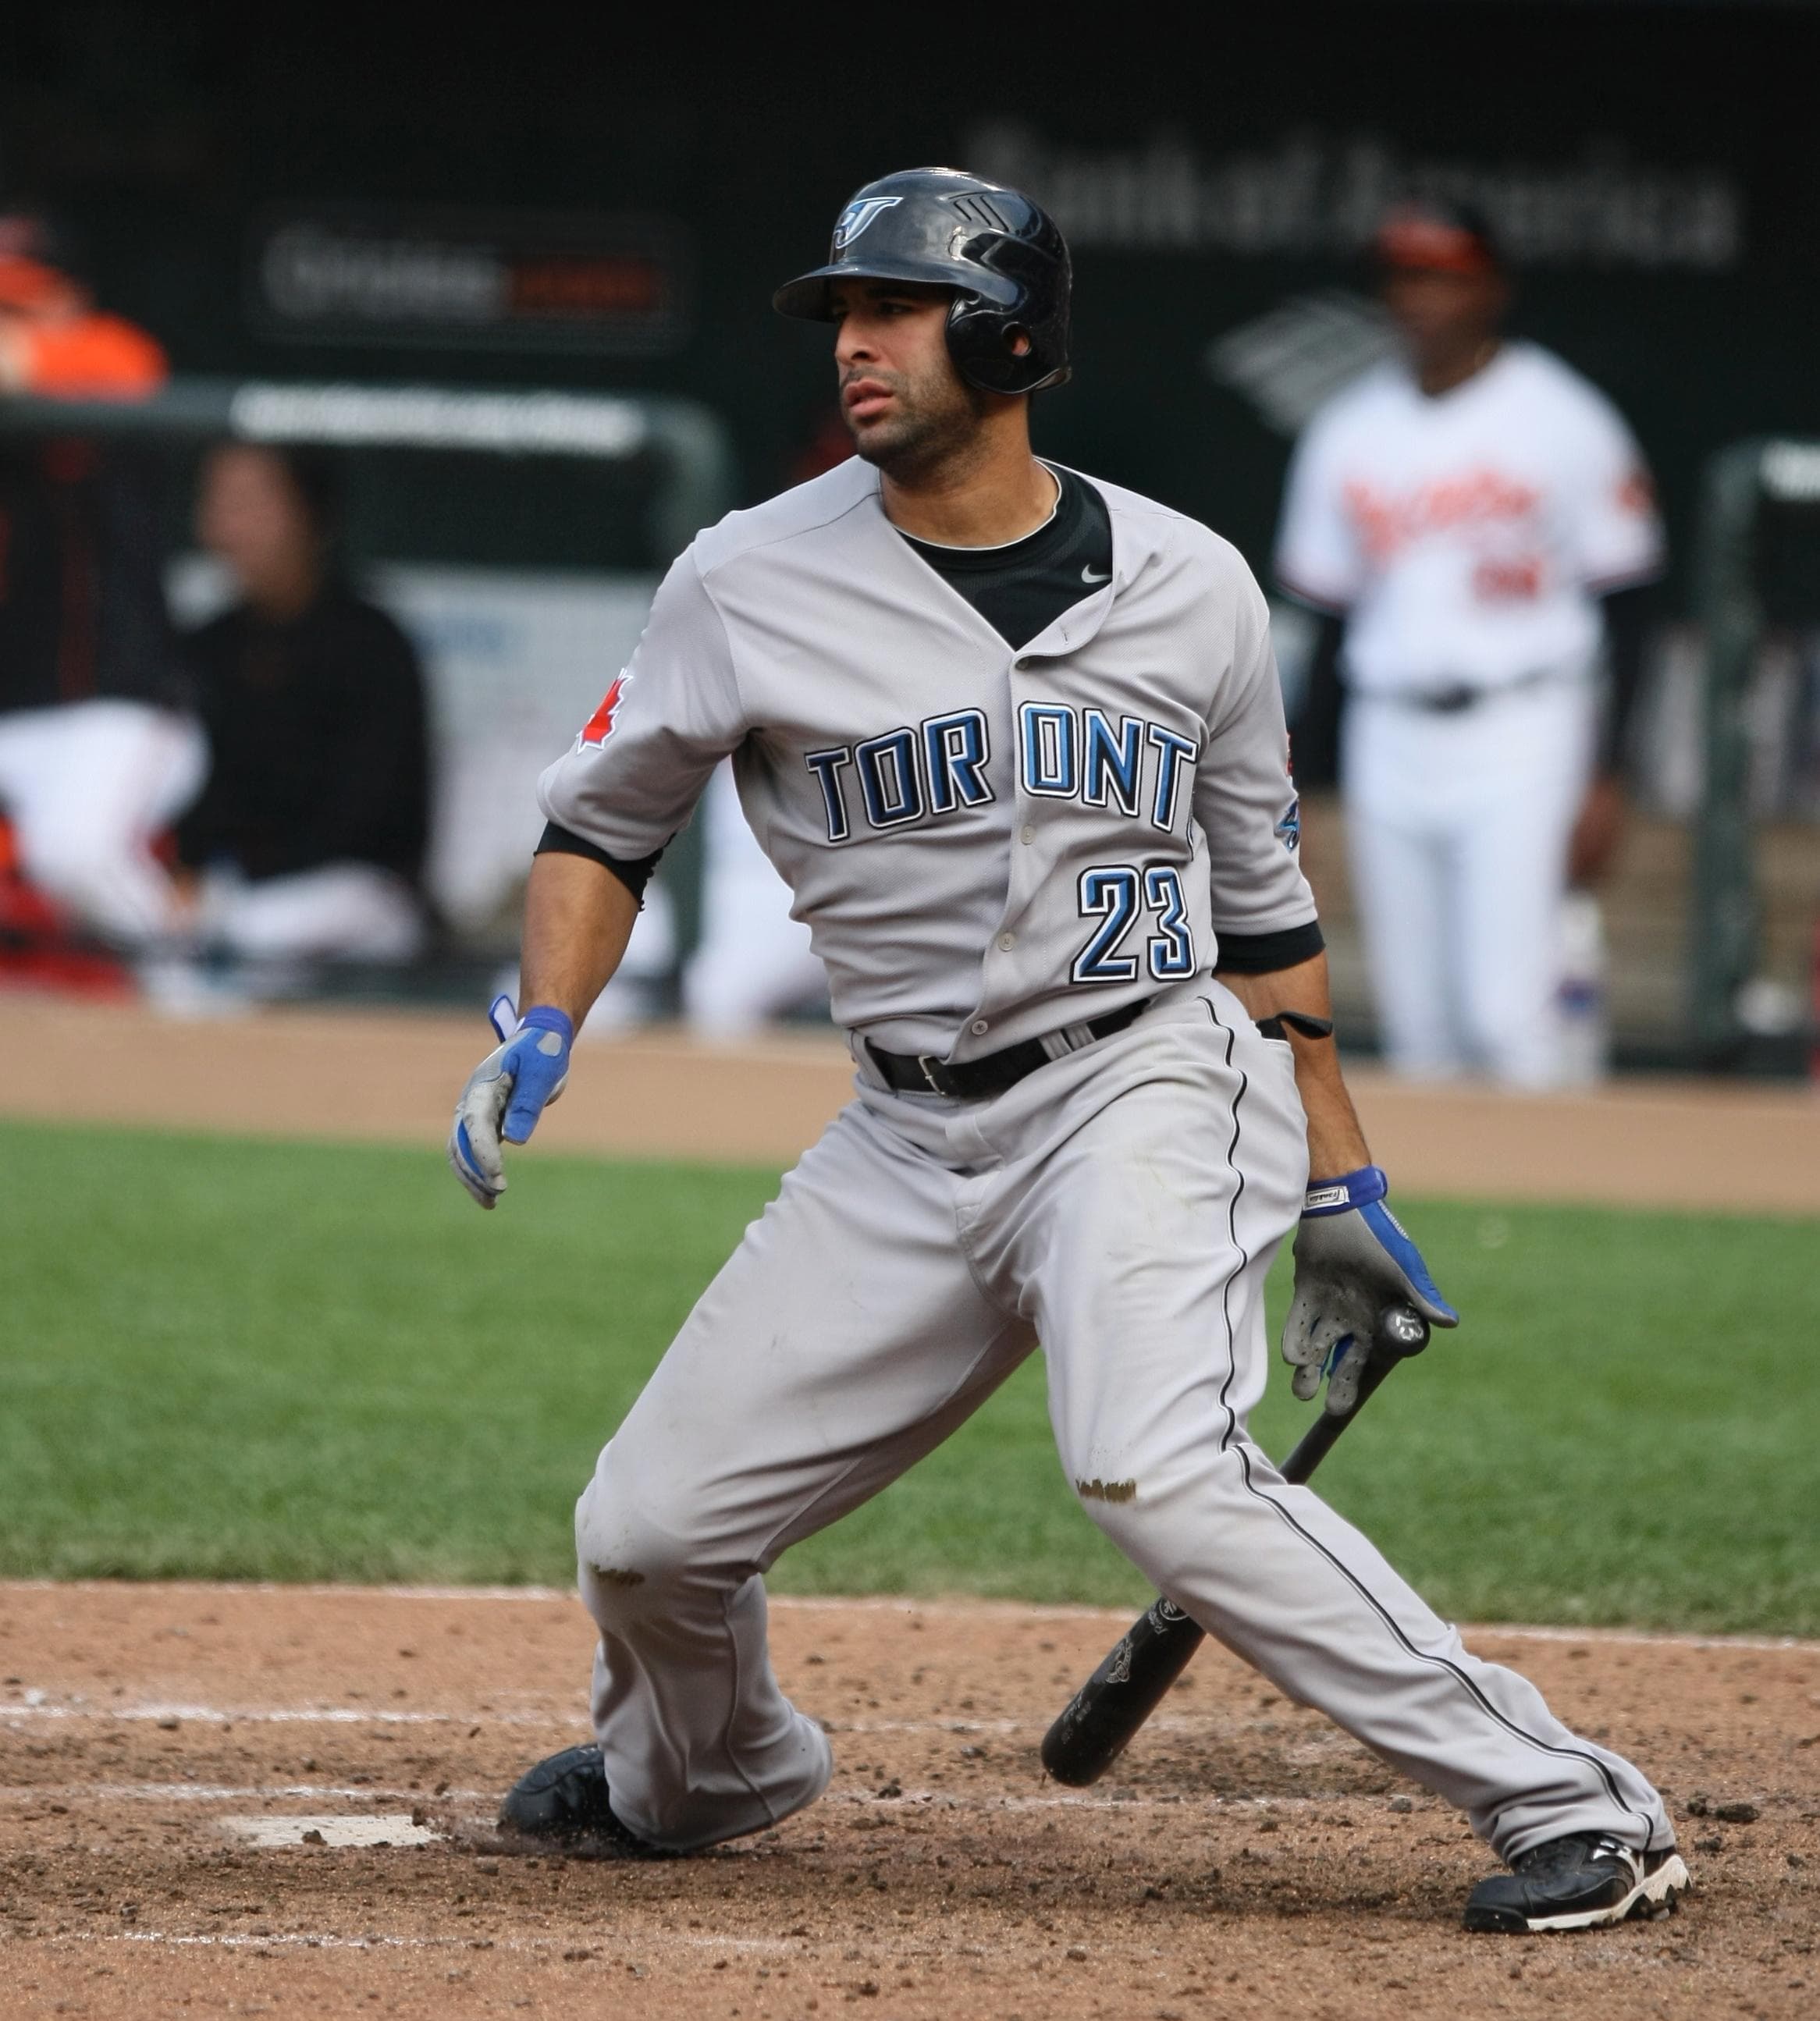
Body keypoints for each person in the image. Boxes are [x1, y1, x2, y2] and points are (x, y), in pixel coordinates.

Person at [448, 169, 1687, 1935]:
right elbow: (604, 825)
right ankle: (708, 1774)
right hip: (902, 1137)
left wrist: (1338, 1177)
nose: (857, 343)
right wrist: (548, 1016)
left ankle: (1577, 1804)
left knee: (1154, 1470)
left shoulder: (1195, 586)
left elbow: (1263, 914)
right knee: (645, 1537)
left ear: (1010, 338)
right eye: (843, 313)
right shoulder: (745, 576)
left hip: (1143, 1088)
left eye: (897, 309)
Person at [1274, 200, 1662, 1087]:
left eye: (1442, 278)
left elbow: (1630, 603)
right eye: (1404, 277)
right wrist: (1300, 790)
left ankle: (1561, 1175)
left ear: (1490, 289)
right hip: (1387, 729)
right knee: (1417, 1024)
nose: (1419, 298)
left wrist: (1610, 770)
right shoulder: (1348, 428)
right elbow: (1326, 624)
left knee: (1507, 1014)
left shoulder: (1563, 415)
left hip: (1524, 720)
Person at [0, 213, 203, 959]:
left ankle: (203, 979)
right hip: (13, 720)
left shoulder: (109, 355)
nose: (8, 326)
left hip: (115, 717)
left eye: (20, 305)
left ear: (70, 301)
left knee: (74, 853)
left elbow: (124, 368)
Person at [176, 442, 429, 970]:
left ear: (309, 512)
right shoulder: (206, 648)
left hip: (357, 894)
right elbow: (189, 806)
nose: (225, 527)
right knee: (166, 931)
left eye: (248, 504)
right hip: (228, 898)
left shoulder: (372, 644)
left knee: (246, 933)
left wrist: (239, 876)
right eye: (216, 503)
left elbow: (372, 818)